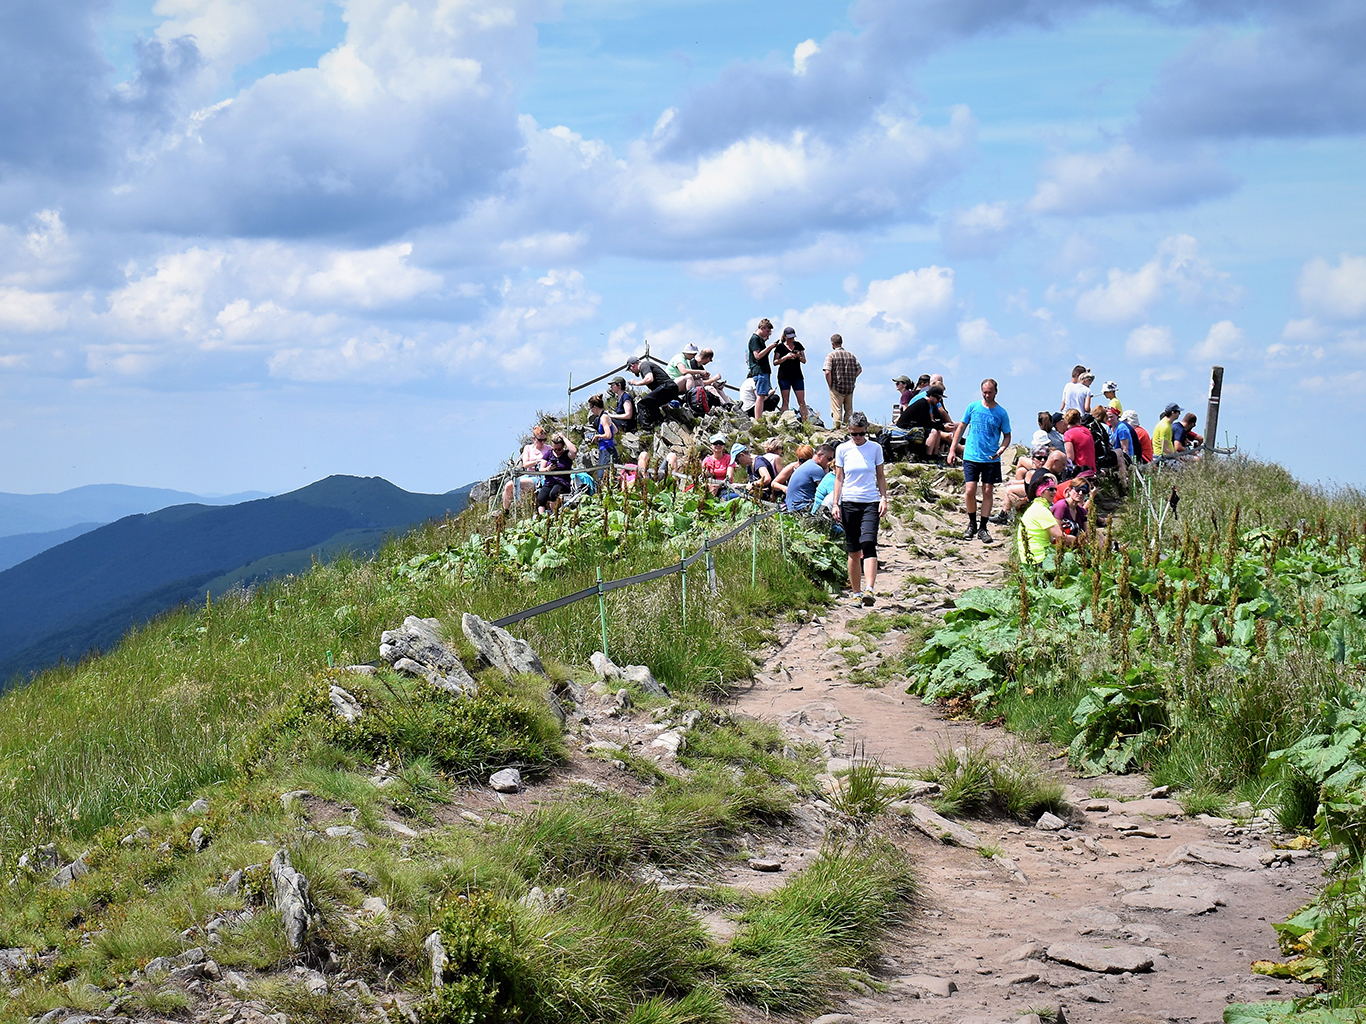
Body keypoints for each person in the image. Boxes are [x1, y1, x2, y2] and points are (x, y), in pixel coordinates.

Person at [831, 412, 887, 605]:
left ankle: (869, 589)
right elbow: (839, 478)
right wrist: (835, 503)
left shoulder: (875, 449)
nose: (857, 437)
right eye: (854, 434)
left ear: (866, 431)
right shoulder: (842, 449)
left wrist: (884, 498)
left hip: (870, 501)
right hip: (848, 502)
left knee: (869, 543)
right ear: (849, 431)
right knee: (853, 549)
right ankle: (856, 593)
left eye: (861, 434)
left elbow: (880, 476)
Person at [948, 378, 1012, 543]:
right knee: (970, 490)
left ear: (995, 392)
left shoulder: (1001, 413)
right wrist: (952, 449)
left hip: (990, 457)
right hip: (971, 455)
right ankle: (971, 523)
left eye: (990, 392)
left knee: (987, 491)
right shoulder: (973, 407)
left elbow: (1007, 435)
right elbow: (961, 427)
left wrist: (1002, 449)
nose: (987, 395)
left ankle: (983, 527)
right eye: (984, 392)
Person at [1016, 469, 1076, 563]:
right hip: (1039, 559)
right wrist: (1079, 540)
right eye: (1050, 489)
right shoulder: (1041, 510)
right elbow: (1060, 537)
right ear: (1041, 492)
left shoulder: (1035, 507)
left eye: (1055, 489)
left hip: (1030, 559)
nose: (1054, 492)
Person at [502, 424, 552, 510]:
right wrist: (537, 461)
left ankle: (512, 509)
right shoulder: (528, 448)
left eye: (545, 439)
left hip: (540, 477)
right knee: (508, 486)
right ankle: (506, 509)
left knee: (512, 484)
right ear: (534, 439)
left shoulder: (549, 449)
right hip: (529, 474)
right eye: (540, 440)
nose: (543, 442)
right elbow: (525, 464)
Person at [629, 353, 682, 429]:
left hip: (667, 387)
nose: (632, 372)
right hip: (670, 388)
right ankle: (659, 423)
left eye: (631, 370)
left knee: (642, 404)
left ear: (632, 366)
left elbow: (649, 378)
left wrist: (636, 383)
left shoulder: (644, 365)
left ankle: (646, 427)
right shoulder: (646, 366)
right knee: (652, 403)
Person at [896, 384, 947, 460]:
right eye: (938, 398)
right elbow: (926, 423)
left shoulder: (927, 404)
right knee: (933, 432)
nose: (939, 401)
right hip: (906, 427)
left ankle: (935, 455)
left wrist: (940, 427)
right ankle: (928, 456)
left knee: (938, 431)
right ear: (931, 396)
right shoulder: (923, 404)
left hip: (913, 425)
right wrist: (943, 426)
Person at [823, 333, 862, 428]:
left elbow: (827, 371)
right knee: (849, 410)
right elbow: (859, 369)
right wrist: (853, 378)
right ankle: (848, 428)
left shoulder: (831, 355)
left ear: (832, 344)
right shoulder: (851, 355)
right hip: (849, 387)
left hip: (837, 386)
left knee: (837, 410)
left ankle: (838, 430)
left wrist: (830, 384)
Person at [747, 318, 779, 423]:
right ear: (762, 328)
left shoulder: (759, 339)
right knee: (760, 396)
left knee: (763, 395)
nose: (768, 334)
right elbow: (757, 356)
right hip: (759, 370)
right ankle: (758, 419)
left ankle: (759, 418)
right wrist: (770, 347)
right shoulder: (755, 339)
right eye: (767, 331)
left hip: (764, 370)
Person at [785, 443, 834, 513]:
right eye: (829, 459)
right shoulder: (816, 469)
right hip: (801, 506)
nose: (830, 462)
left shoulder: (808, 464)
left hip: (792, 505)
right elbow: (826, 491)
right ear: (819, 455)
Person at [773, 327, 809, 420]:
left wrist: (798, 356)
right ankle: (785, 421)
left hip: (797, 376)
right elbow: (775, 362)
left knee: (802, 401)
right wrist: (786, 357)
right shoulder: (780, 347)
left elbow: (804, 360)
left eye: (792, 337)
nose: (791, 339)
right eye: (789, 337)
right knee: (786, 400)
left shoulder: (798, 345)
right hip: (784, 376)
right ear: (785, 337)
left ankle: (806, 422)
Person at [535, 433, 576, 513]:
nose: (557, 451)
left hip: (562, 482)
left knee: (553, 494)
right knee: (541, 498)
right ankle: (541, 518)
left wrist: (564, 437)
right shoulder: (548, 454)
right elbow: (541, 469)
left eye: (559, 449)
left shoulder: (567, 455)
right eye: (555, 449)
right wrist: (548, 469)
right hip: (549, 482)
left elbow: (574, 451)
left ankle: (555, 514)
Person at [1062, 408, 1096, 476]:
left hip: (1080, 471)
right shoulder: (1086, 430)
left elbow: (1070, 457)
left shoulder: (1068, 434)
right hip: (1092, 469)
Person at [588, 394, 616, 473]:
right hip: (605, 449)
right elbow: (615, 430)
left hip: (607, 449)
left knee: (602, 475)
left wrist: (598, 436)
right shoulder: (605, 416)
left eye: (591, 408)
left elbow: (608, 435)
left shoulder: (603, 418)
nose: (591, 411)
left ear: (595, 407)